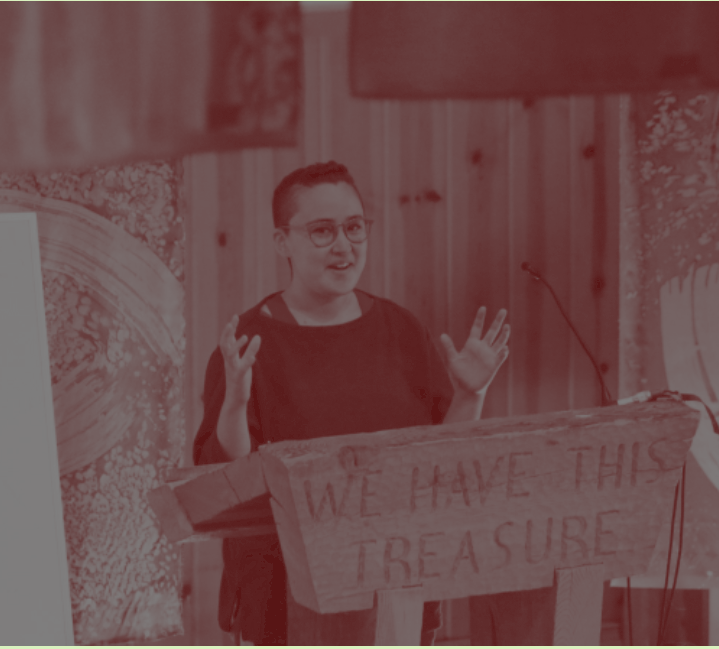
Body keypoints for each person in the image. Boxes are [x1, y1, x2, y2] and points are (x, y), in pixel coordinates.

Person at [192, 161, 510, 645]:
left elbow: (444, 462)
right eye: (322, 231)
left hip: (396, 595)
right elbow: (223, 485)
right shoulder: (249, 344)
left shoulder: (401, 330)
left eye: (354, 227)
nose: (344, 245)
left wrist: (471, 394)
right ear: (283, 242)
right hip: (285, 606)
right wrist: (235, 402)